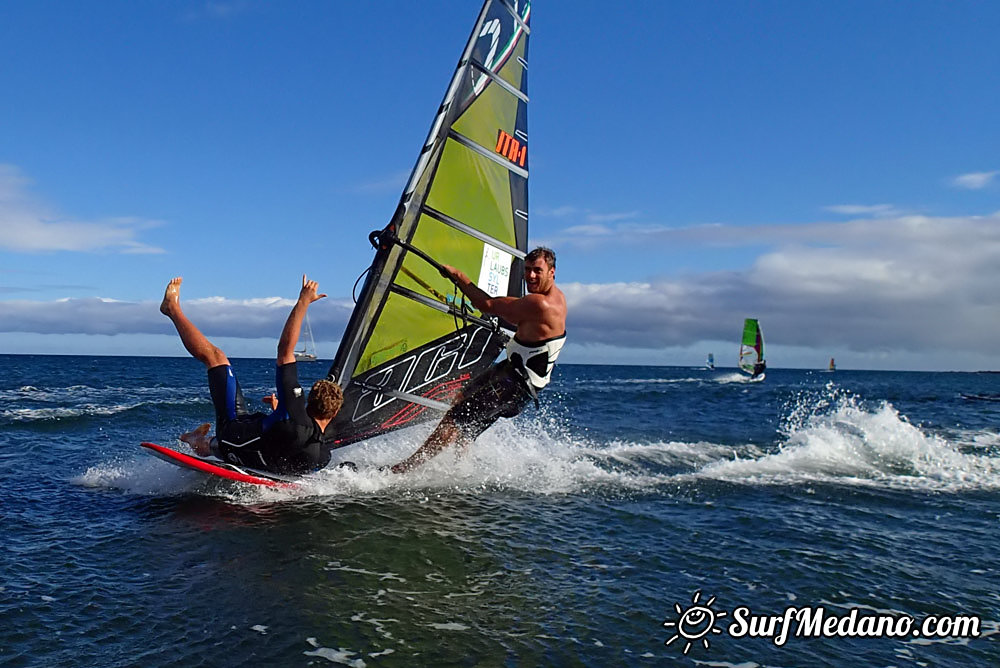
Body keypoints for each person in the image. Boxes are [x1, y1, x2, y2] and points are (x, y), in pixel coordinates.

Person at [390, 247, 567, 473]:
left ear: (552, 272)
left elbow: (487, 306)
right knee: (463, 406)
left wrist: (459, 277)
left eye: (538, 271)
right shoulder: (557, 298)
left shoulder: (540, 303)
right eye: (528, 270)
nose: (531, 276)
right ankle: (461, 468)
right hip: (513, 374)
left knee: (454, 420)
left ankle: (405, 468)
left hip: (514, 385)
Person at [160, 274, 343, 474]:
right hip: (258, 456)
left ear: (309, 403)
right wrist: (279, 414)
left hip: (234, 440)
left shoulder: (294, 412)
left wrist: (303, 301)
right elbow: (291, 438)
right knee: (245, 436)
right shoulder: (323, 455)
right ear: (334, 413)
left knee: (216, 357)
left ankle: (172, 310)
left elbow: (285, 351)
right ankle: (197, 440)